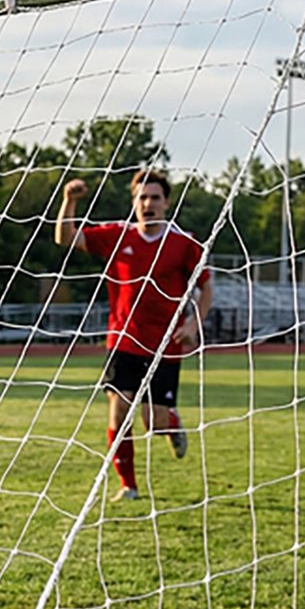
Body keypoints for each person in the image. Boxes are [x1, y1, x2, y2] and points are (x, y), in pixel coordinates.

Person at [55, 169, 213, 502]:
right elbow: (66, 239)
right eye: (142, 198)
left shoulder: (184, 244)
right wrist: (69, 200)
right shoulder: (117, 236)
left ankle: (170, 421)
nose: (148, 204)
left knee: (151, 422)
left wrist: (193, 324)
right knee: (118, 410)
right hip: (124, 340)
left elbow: (206, 288)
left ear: (167, 202)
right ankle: (128, 486)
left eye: (155, 197)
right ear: (134, 203)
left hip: (166, 345)